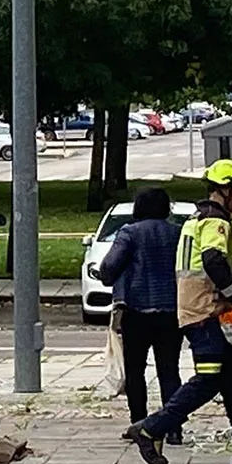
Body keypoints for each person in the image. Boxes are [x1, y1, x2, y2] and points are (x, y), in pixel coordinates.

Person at [128, 160, 232, 464]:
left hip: (198, 309)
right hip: (205, 312)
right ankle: (150, 428)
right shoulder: (217, 222)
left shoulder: (196, 218)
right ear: (227, 190)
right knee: (208, 379)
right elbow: (213, 260)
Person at [98, 187, 183, 444]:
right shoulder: (177, 233)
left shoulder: (129, 233)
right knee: (169, 370)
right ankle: (173, 427)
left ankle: (140, 423)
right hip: (172, 309)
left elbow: (109, 267)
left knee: (136, 370)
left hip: (137, 310)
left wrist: (110, 277)